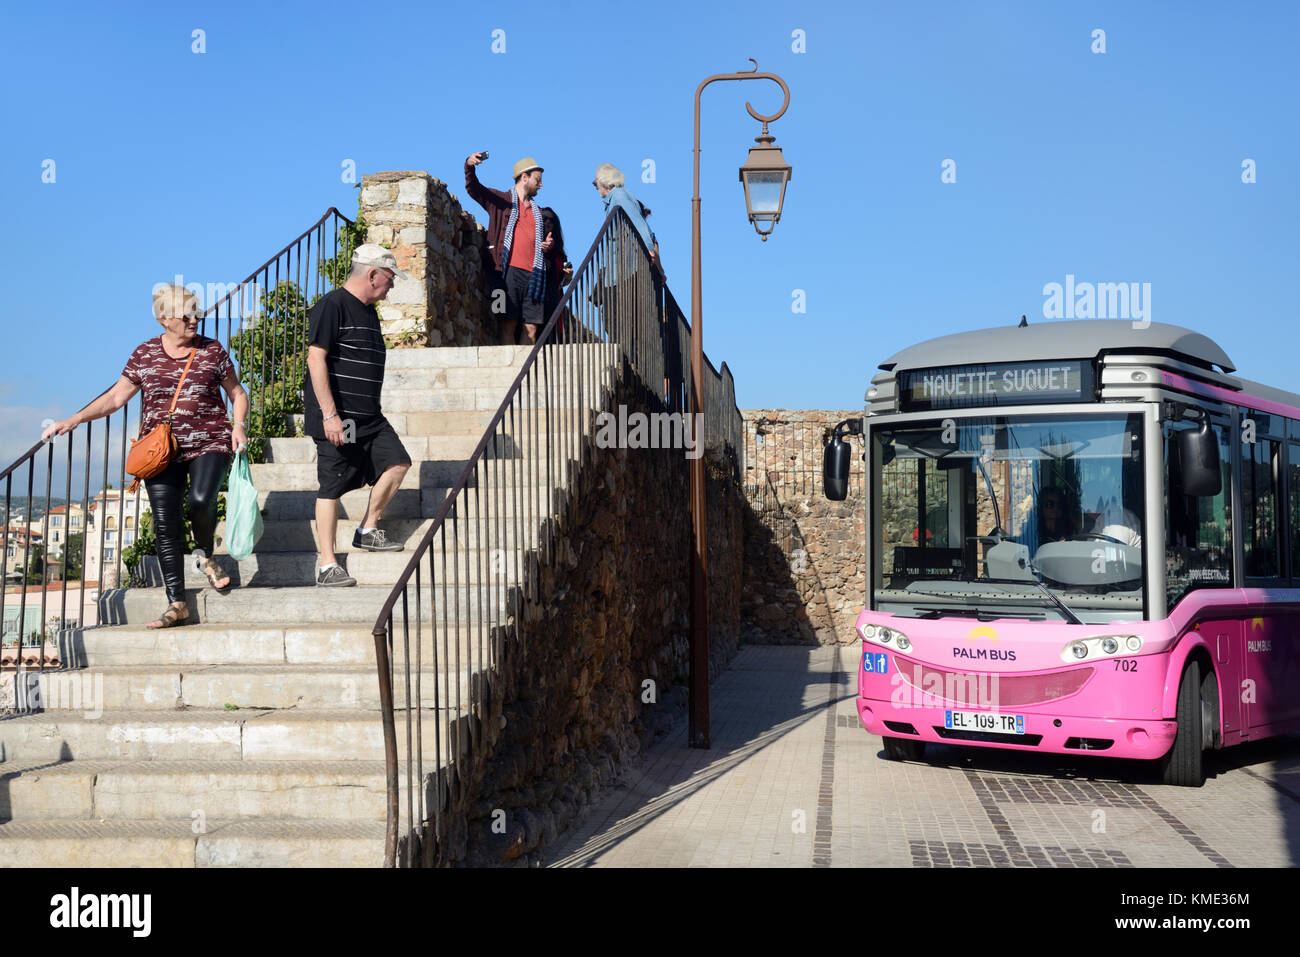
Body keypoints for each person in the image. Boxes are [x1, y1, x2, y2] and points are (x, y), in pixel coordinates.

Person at [42, 284, 249, 628]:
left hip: (210, 441)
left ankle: (205, 554)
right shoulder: (145, 354)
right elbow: (115, 398)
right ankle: (177, 603)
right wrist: (74, 419)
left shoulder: (212, 351)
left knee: (200, 500)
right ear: (165, 319)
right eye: (188, 314)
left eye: (198, 312)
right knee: (165, 526)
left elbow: (237, 392)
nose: (195, 319)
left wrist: (238, 425)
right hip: (160, 449)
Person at [304, 244, 412, 587]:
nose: (392, 285)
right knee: (331, 487)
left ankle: (367, 528)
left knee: (398, 463)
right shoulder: (331, 305)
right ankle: (326, 565)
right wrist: (330, 416)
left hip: (370, 416)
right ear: (372, 274)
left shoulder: (369, 311)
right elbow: (315, 359)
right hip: (339, 416)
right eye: (390, 278)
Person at [464, 152, 555, 345]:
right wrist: (469, 166)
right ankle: (513, 374)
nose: (541, 184)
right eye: (537, 180)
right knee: (508, 324)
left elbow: (532, 242)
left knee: (531, 327)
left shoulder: (538, 213)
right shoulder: (501, 201)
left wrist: (545, 247)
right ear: (524, 177)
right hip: (506, 273)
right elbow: (474, 189)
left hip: (535, 275)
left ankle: (526, 372)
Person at [539, 206, 572, 333]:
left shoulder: (559, 253)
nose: (548, 222)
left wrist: (568, 277)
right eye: (544, 219)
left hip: (553, 299)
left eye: (551, 220)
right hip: (535, 298)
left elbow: (562, 281)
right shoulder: (532, 245)